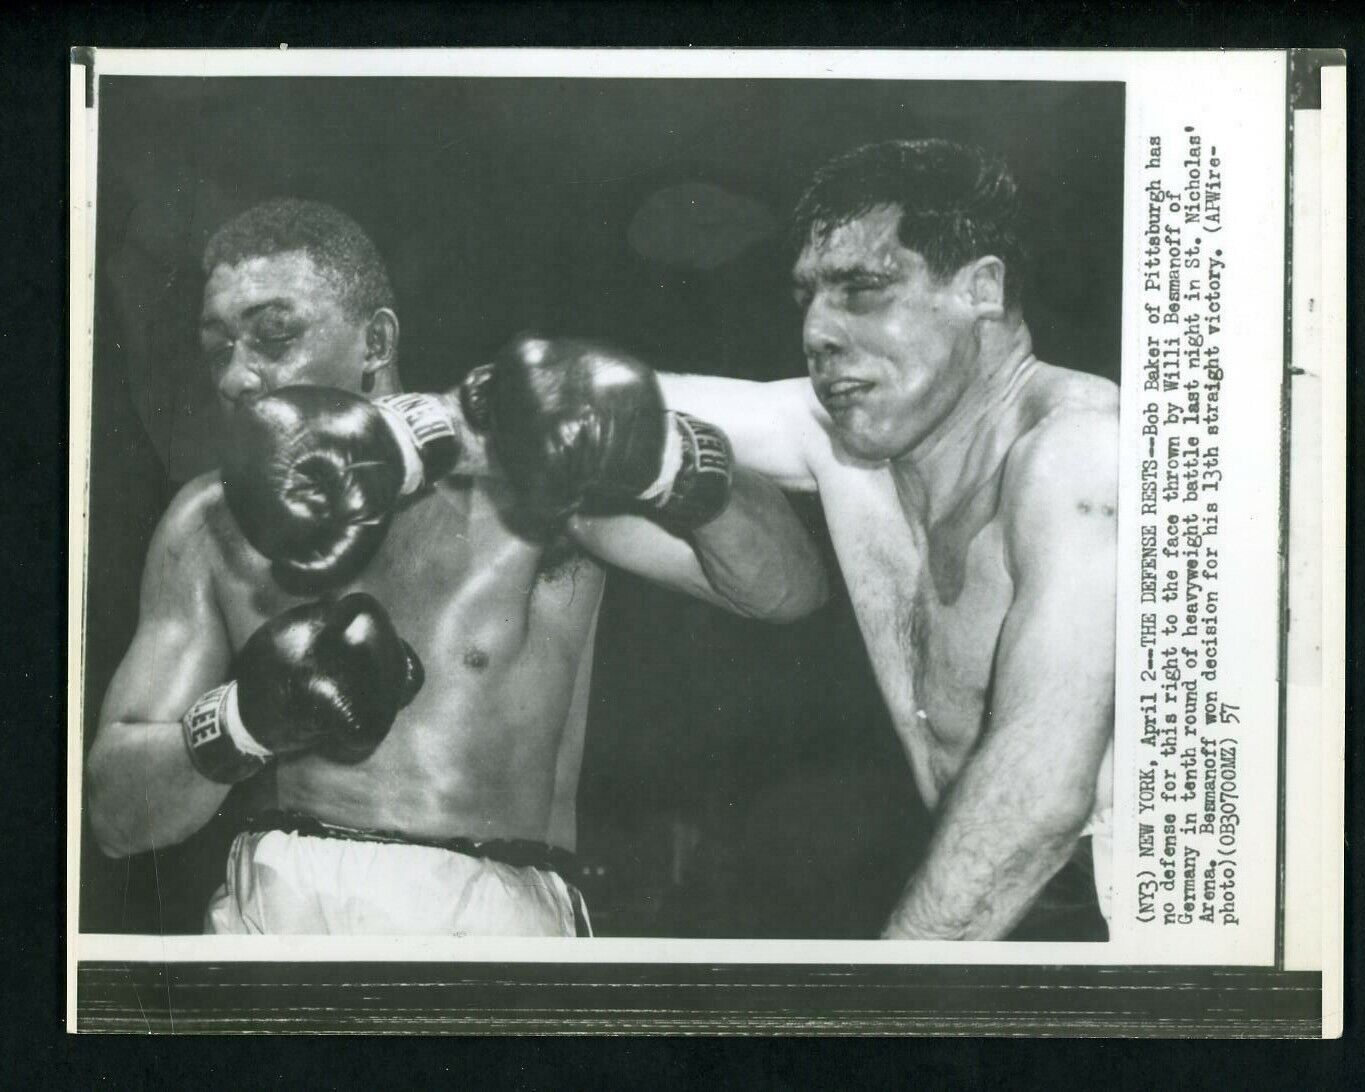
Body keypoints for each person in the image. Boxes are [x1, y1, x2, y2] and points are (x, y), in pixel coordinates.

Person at [85, 198, 829, 936]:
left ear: (375, 341)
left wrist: (667, 459)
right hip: (273, 908)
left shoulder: (521, 477)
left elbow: (787, 591)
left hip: (483, 911)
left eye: (273, 336)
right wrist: (245, 720)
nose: (236, 377)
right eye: (218, 346)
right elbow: (117, 816)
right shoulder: (208, 520)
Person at [660, 138, 1119, 940]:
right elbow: (608, 404)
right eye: (806, 296)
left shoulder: (1082, 451)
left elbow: (1043, 795)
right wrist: (410, 425)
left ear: (981, 288)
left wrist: (887, 997)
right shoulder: (866, 438)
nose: (817, 331)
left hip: (1142, 918)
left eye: (863, 290)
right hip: (995, 909)